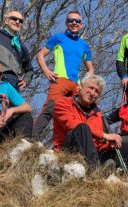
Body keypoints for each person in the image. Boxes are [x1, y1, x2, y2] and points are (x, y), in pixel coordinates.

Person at [52, 74, 128, 170]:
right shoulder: (62, 103)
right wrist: (104, 135)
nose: (93, 93)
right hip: (68, 149)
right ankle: (96, 170)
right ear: (80, 87)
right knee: (82, 127)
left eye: (97, 91)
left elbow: (98, 142)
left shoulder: (97, 114)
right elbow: (71, 124)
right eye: (91, 88)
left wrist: (110, 143)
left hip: (92, 153)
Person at [34, 10, 94, 139]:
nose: (74, 23)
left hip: (76, 86)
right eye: (71, 20)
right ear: (66, 23)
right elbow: (40, 55)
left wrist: (83, 85)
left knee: (76, 116)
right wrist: (47, 71)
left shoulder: (84, 45)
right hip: (60, 80)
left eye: (77, 21)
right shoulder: (58, 38)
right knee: (50, 108)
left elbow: (91, 69)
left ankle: (73, 147)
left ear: (81, 24)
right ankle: (30, 137)